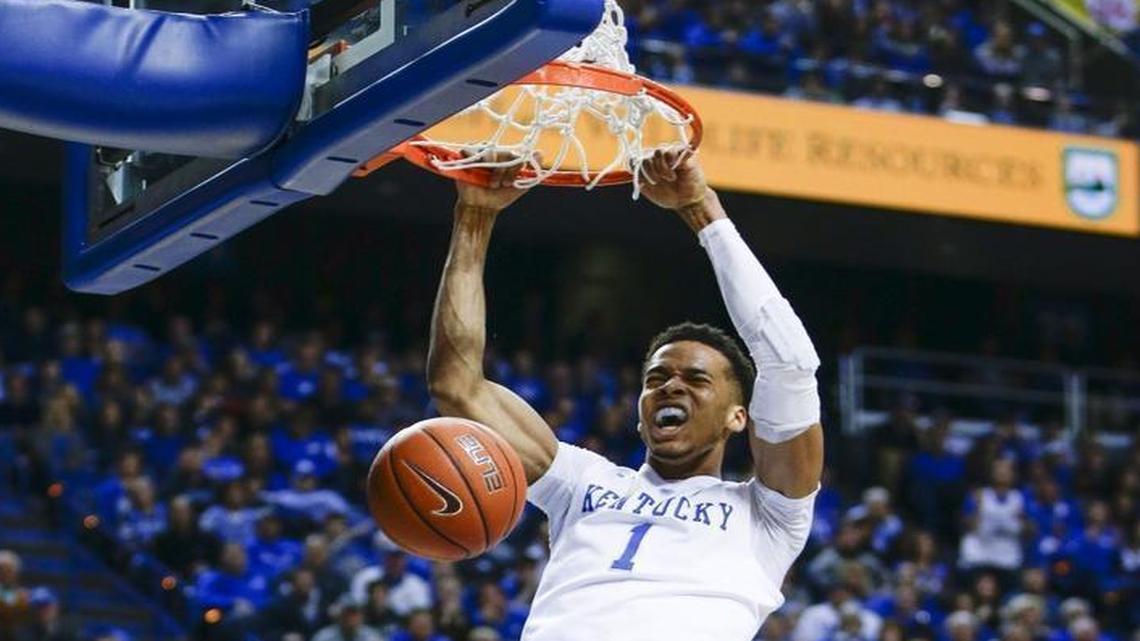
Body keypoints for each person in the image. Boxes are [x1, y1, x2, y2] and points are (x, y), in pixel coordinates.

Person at [426, 150, 823, 641]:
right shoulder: (581, 480)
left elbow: (791, 363)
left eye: (697, 380)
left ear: (738, 417)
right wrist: (475, 217)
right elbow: (457, 386)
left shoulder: (768, 515)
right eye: (656, 379)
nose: (671, 385)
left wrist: (702, 211)